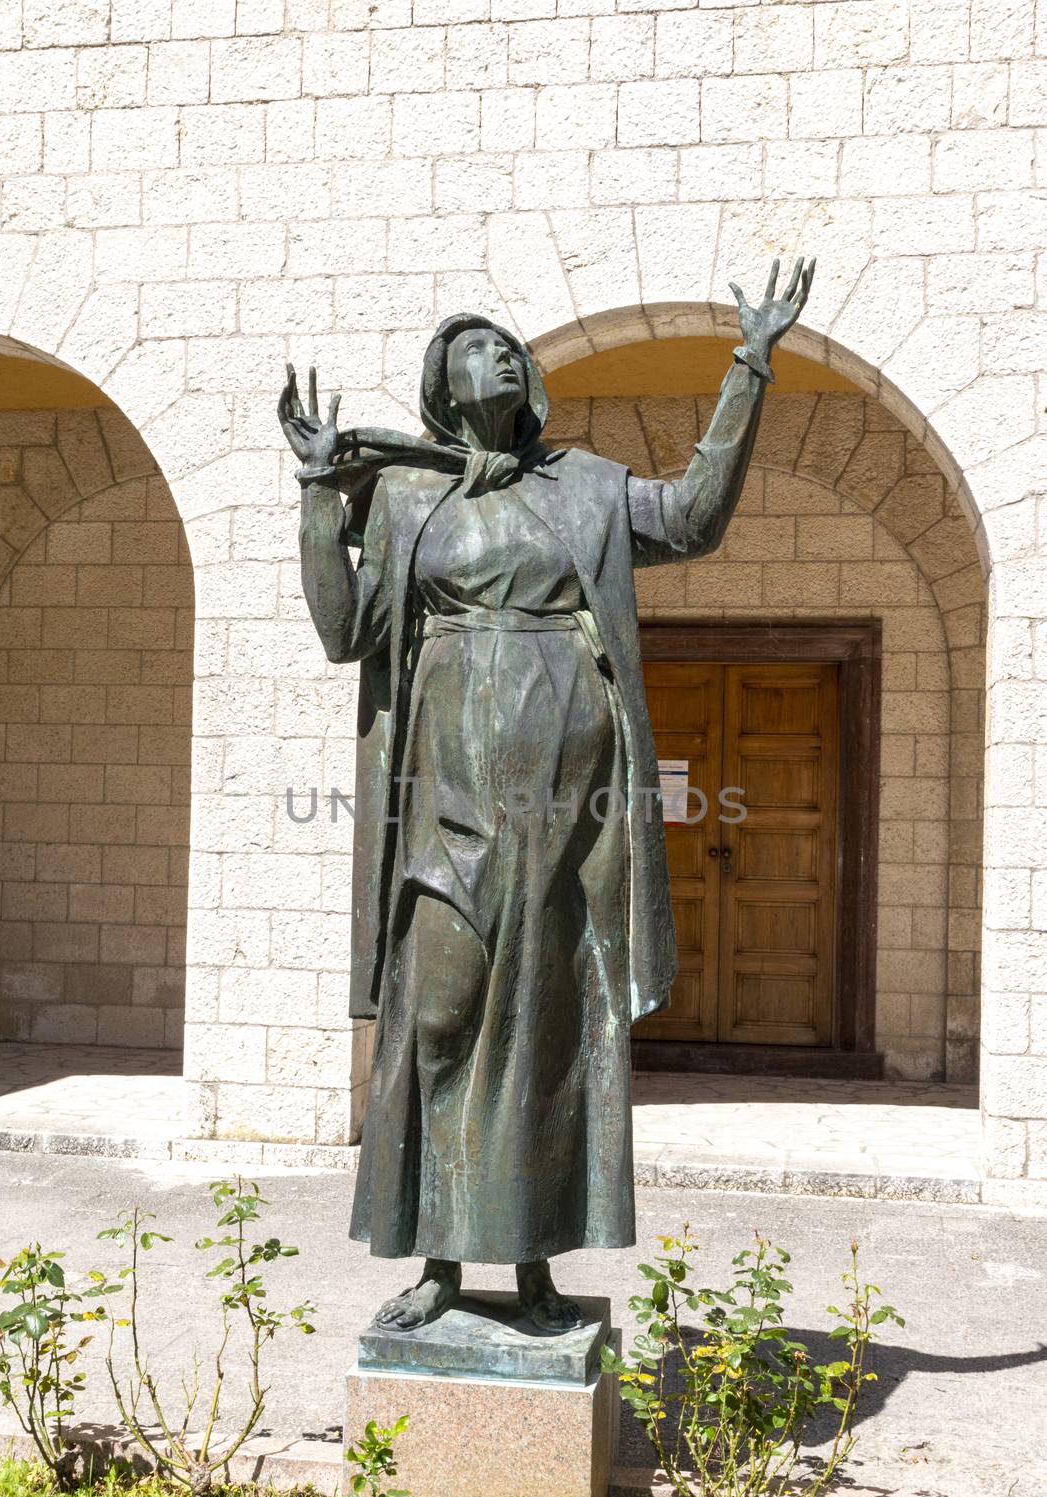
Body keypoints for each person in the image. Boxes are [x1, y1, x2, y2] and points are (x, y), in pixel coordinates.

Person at [278, 258, 815, 1332]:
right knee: (439, 1008)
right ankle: (434, 1257)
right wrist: (316, 499)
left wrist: (749, 370)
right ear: (444, 385)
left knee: (545, 1017)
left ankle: (526, 1266)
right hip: (447, 791)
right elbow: (345, 632)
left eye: (509, 345)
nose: (504, 354)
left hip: (569, 804)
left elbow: (697, 516)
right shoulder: (407, 498)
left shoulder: (589, 486)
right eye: (478, 346)